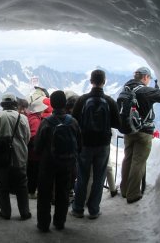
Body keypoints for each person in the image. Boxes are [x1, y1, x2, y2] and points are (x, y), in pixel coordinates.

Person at [71, 69, 121, 219]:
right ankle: (93, 210)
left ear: (91, 81)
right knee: (99, 178)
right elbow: (117, 124)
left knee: (82, 177)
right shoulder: (110, 101)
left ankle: (78, 209)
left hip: (85, 144)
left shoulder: (82, 100)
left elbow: (74, 121)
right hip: (103, 145)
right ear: (104, 81)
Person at [34, 90, 82, 232]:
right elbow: (79, 144)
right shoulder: (73, 122)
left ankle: (43, 224)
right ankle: (59, 222)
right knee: (63, 193)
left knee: (44, 194)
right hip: (67, 163)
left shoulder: (46, 122)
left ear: (52, 104)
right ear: (65, 104)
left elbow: (37, 146)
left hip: (48, 163)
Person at [120, 67, 160, 203]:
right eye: (149, 79)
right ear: (145, 77)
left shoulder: (126, 88)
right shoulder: (145, 91)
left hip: (128, 130)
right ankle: (133, 194)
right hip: (144, 132)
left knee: (127, 159)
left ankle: (124, 190)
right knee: (138, 162)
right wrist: (158, 85)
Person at [0, 93, 32, 220]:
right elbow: (27, 138)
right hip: (20, 158)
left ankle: (5, 212)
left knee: (2, 186)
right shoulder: (23, 118)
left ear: (3, 105)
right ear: (15, 104)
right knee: (22, 185)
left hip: (1, 159)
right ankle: (25, 212)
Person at [26, 98, 48, 199]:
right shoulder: (35, 120)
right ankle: (31, 192)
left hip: (30, 152)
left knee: (31, 172)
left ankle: (30, 190)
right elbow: (34, 135)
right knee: (34, 173)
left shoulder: (30, 117)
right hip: (34, 153)